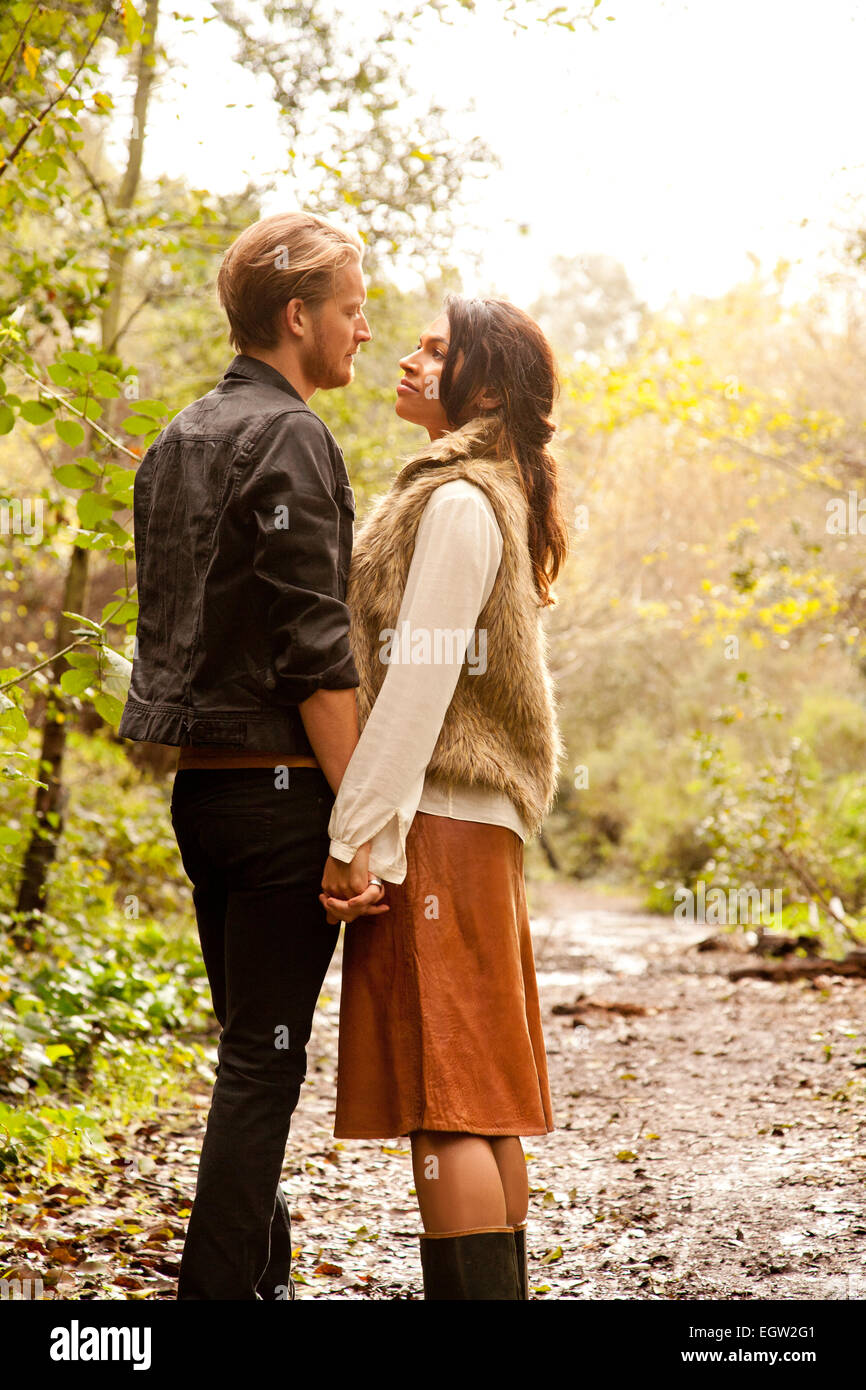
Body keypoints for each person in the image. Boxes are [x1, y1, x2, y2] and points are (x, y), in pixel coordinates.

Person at [117, 210, 387, 1300]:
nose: (363, 330)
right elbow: (315, 653)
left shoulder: (178, 436)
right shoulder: (290, 435)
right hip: (280, 805)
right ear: (296, 316)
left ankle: (258, 1276)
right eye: (352, 309)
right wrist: (358, 823)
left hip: (205, 802)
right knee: (263, 1061)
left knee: (246, 1053)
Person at [320, 294, 568, 1300]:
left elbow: (417, 686)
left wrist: (356, 836)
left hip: (440, 823)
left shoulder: (460, 500)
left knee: (450, 1101)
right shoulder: (476, 490)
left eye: (437, 348)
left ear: (485, 383)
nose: (409, 358)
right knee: (482, 1101)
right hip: (469, 827)